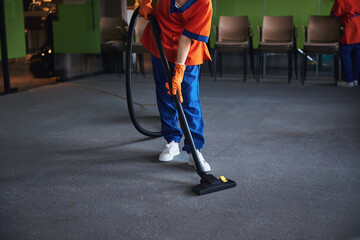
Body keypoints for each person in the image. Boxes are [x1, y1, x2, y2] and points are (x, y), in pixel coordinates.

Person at [139, 0, 212, 171]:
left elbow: (187, 38)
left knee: (189, 100)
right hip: (161, 45)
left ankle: (194, 150)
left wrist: (179, 69)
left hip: (187, 54)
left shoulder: (204, 4)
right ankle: (172, 141)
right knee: (165, 95)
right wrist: (145, 2)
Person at [331, 0, 360, 87]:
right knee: (357, 54)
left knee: (345, 53)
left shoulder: (340, 0)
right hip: (359, 25)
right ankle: (355, 79)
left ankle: (348, 80)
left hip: (351, 27)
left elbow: (334, 15)